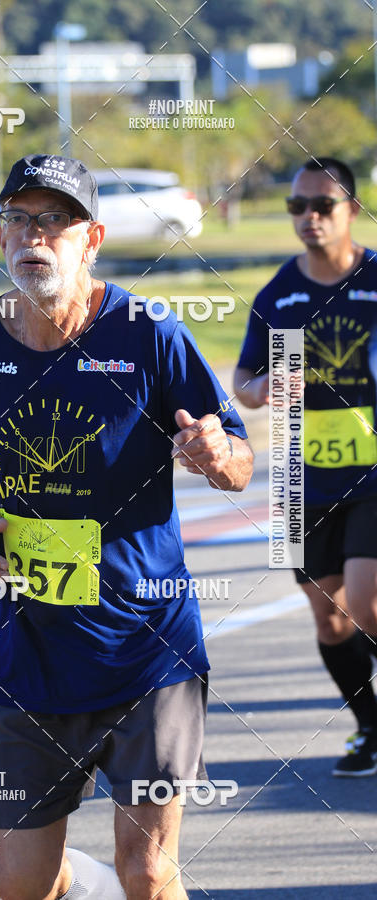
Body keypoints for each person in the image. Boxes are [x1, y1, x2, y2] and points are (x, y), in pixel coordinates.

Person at [0, 153, 253, 899]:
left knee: (146, 874)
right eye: (17, 219)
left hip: (147, 653)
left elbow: (239, 458)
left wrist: (215, 453)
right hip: (25, 656)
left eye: (54, 220)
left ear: (94, 238)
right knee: (22, 888)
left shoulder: (149, 334)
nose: (32, 237)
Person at [234, 157, 377, 777]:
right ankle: (370, 726)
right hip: (300, 474)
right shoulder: (279, 295)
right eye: (298, 207)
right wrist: (261, 389)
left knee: (368, 603)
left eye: (323, 206)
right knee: (330, 615)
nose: (309, 218)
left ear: (351, 210)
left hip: (373, 471)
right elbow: (242, 378)